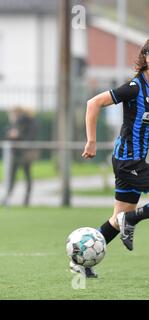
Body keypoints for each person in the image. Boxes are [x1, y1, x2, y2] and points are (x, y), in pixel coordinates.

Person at [78, 39, 149, 278]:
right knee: (125, 217)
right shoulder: (134, 87)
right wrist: (91, 140)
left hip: (134, 161)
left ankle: (81, 262)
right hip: (129, 160)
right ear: (146, 58)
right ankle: (132, 218)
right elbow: (93, 103)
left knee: (116, 221)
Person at [2, 107, 38, 206]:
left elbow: (30, 136)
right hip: (15, 153)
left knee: (26, 176)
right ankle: (7, 197)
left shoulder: (26, 122)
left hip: (25, 154)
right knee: (13, 176)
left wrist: (18, 135)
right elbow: (8, 137)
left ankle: (26, 199)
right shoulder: (14, 124)